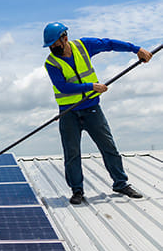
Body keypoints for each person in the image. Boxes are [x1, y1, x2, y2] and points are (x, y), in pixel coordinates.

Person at [42, 22, 152, 204]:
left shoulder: (83, 46)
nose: (53, 47)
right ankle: (77, 190)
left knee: (108, 147)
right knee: (72, 153)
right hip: (68, 113)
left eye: (55, 43)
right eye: (50, 45)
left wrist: (136, 49)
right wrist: (91, 86)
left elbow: (108, 43)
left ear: (65, 38)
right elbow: (62, 86)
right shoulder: (51, 62)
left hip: (92, 109)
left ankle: (121, 184)